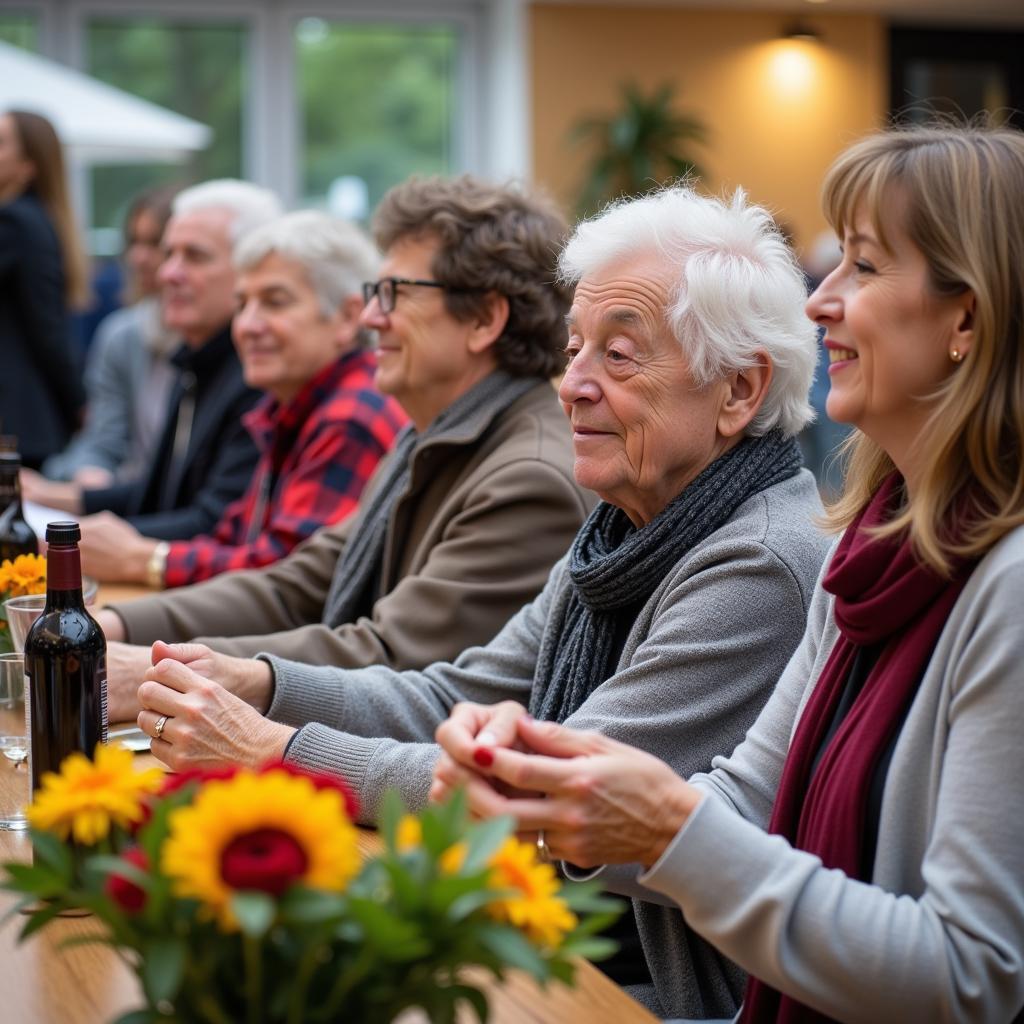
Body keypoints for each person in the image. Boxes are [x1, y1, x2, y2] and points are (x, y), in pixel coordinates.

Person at [130, 185, 831, 1018]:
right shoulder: (624, 528)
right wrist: (264, 685)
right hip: (553, 938)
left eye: (620, 354)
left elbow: (540, 798)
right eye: (575, 349)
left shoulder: (756, 561)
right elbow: (456, 691)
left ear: (739, 392)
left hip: (637, 990)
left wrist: (274, 747)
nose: (572, 385)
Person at [433, 124, 1024, 1024]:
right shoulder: (874, 550)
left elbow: (970, 977)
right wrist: (554, 782)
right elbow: (749, 798)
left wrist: (653, 823)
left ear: (968, 319)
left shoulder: (1003, 589)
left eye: (862, 267)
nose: (818, 301)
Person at [95, 175, 592, 714]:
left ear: (483, 319)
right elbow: (295, 585)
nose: (371, 317)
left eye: (394, 293)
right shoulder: (429, 436)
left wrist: (157, 668)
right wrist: (113, 625)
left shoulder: (527, 478)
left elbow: (391, 656)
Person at [76, 209, 408, 587]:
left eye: (275, 302)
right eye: (242, 304)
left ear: (349, 318)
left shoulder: (349, 415)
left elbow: (287, 581)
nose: (248, 326)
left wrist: (145, 559)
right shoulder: (288, 405)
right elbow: (235, 537)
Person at [22, 179, 282, 542]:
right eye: (169, 253)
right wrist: (57, 499)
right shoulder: (195, 359)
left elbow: (215, 524)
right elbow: (161, 494)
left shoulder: (261, 373)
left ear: (250, 272)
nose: (167, 273)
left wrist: (69, 539)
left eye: (195, 256)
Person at [42, 185, 181, 487]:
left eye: (156, 243)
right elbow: (103, 439)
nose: (139, 257)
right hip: (127, 499)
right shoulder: (122, 334)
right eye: (134, 242)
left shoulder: (225, 339)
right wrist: (89, 473)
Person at [0, 109, 88, 467]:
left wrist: (78, 401)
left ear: (29, 165)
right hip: (27, 417)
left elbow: (46, 327)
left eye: (1, 143)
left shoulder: (15, 221)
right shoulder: (33, 219)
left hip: (16, 417)